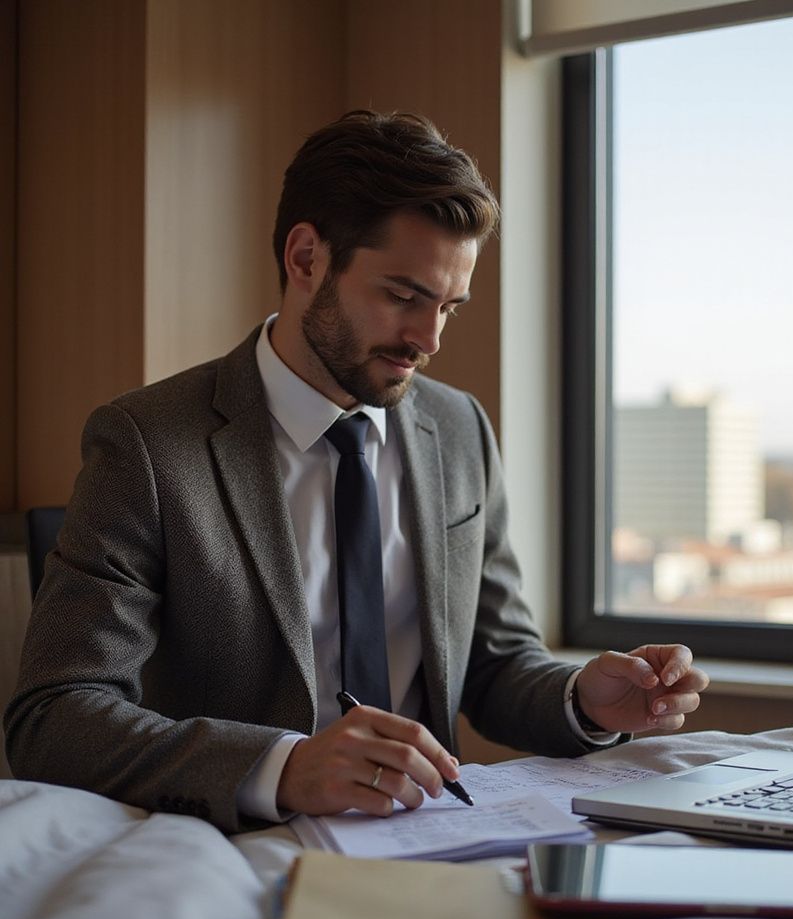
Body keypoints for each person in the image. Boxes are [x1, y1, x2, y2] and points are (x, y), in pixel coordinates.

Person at [5, 110, 709, 833]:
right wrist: (283, 767)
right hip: (235, 843)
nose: (427, 339)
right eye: (403, 297)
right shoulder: (148, 443)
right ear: (306, 258)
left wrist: (583, 700)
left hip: (436, 836)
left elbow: (493, 663)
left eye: (448, 308)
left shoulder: (459, 430)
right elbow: (53, 717)